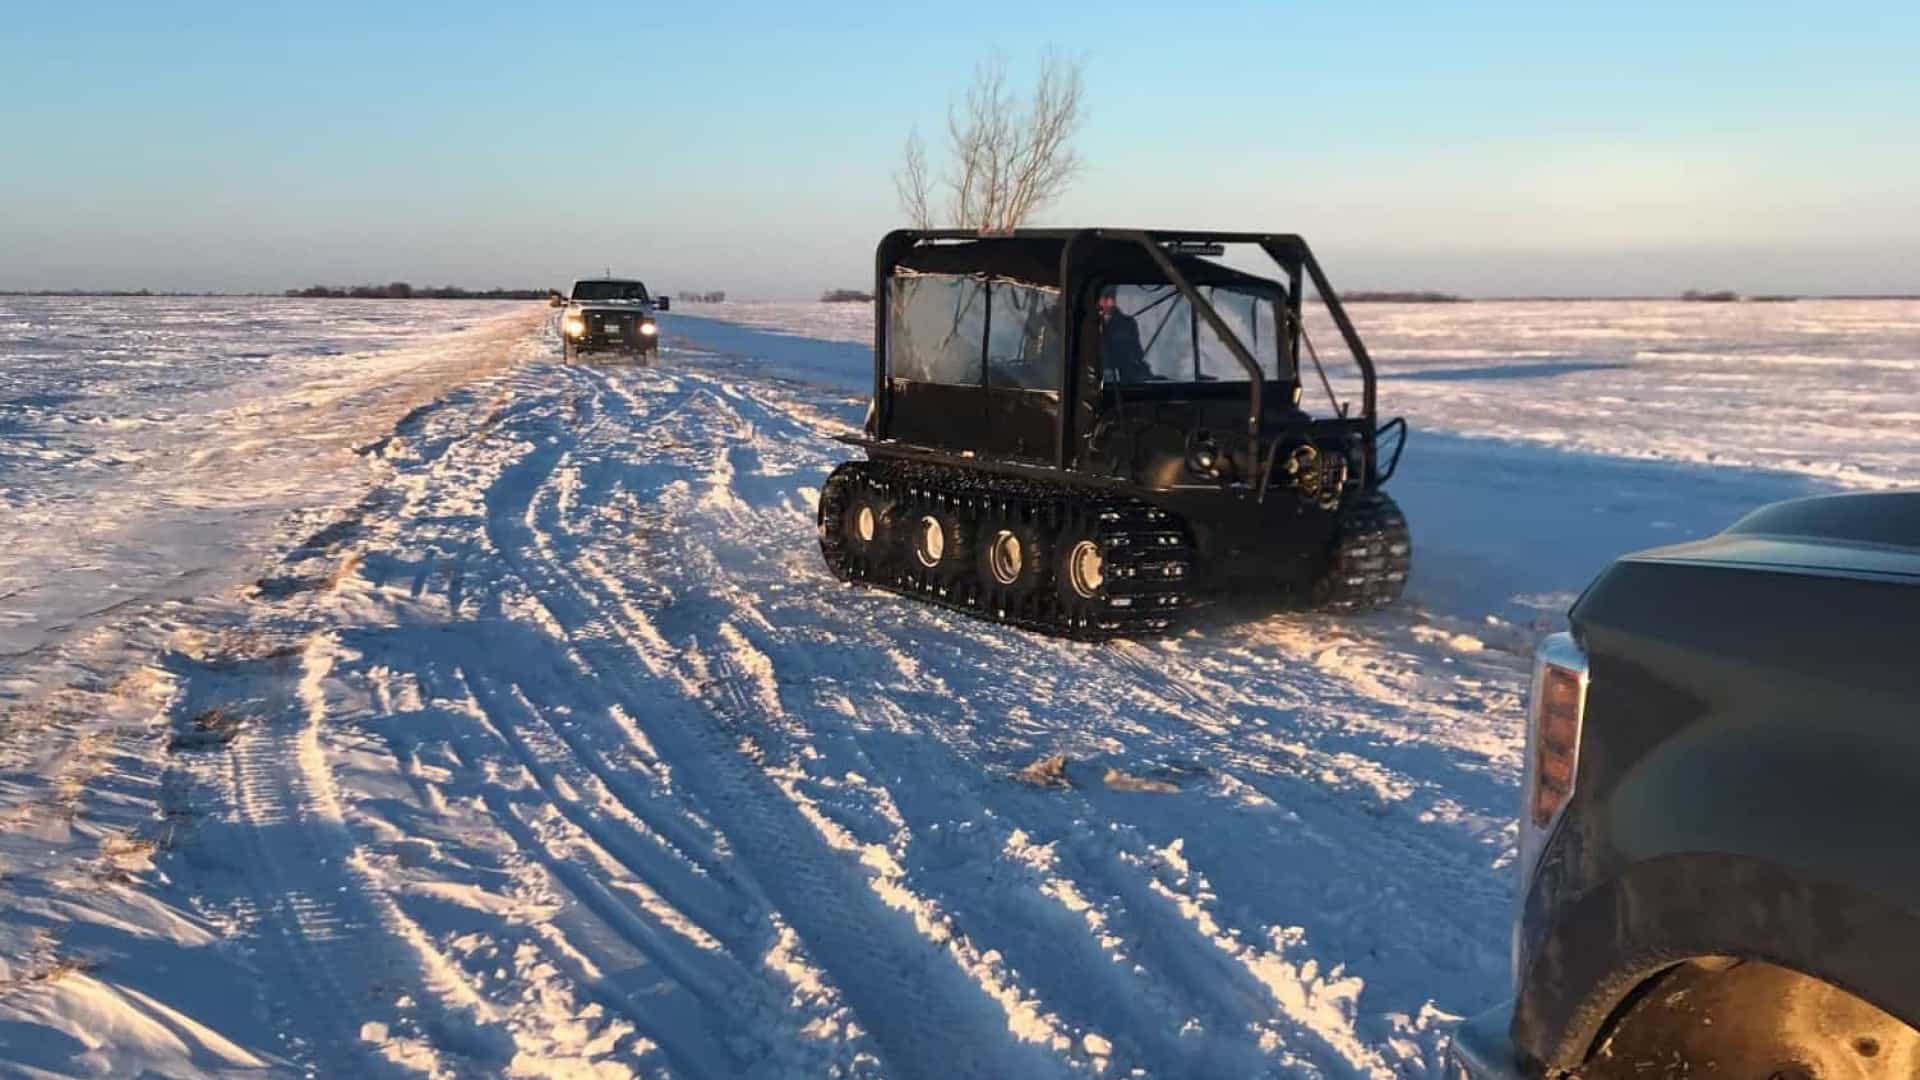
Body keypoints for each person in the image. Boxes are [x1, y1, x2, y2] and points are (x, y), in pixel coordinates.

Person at [1097, 291, 1153, 382]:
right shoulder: (1087, 326)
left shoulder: (1127, 323)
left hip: (1125, 383)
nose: (1107, 302)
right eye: (1104, 298)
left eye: (1110, 297)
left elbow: (1137, 352)